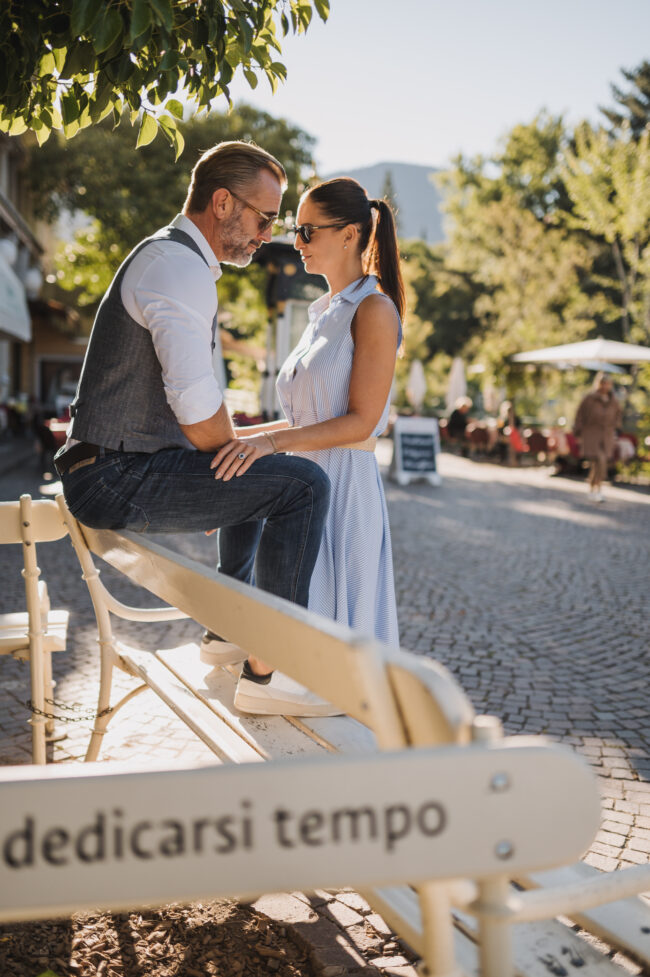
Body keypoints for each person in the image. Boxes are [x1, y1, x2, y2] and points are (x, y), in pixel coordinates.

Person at [55, 140, 335, 718]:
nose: (267, 235)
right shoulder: (177, 267)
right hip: (113, 474)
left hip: (108, 466)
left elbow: (199, 415)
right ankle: (270, 670)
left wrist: (221, 482)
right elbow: (196, 405)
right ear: (223, 203)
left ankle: (226, 633)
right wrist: (223, 472)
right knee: (302, 485)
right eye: (263, 218)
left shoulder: (174, 259)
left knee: (254, 463)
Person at [212, 177, 404, 652]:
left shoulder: (374, 309)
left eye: (307, 231)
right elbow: (304, 421)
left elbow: (361, 422)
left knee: (327, 644)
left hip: (344, 488)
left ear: (349, 234)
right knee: (292, 630)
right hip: (299, 486)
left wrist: (268, 444)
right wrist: (236, 444)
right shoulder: (323, 313)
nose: (296, 243)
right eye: (296, 230)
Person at [573, 372, 622, 502]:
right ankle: (597, 489)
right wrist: (578, 433)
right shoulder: (589, 399)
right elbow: (579, 416)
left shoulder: (613, 401)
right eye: (603, 383)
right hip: (591, 434)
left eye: (608, 384)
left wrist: (616, 430)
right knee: (599, 461)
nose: (605, 386)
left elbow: (618, 417)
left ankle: (594, 488)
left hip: (607, 435)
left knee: (599, 463)